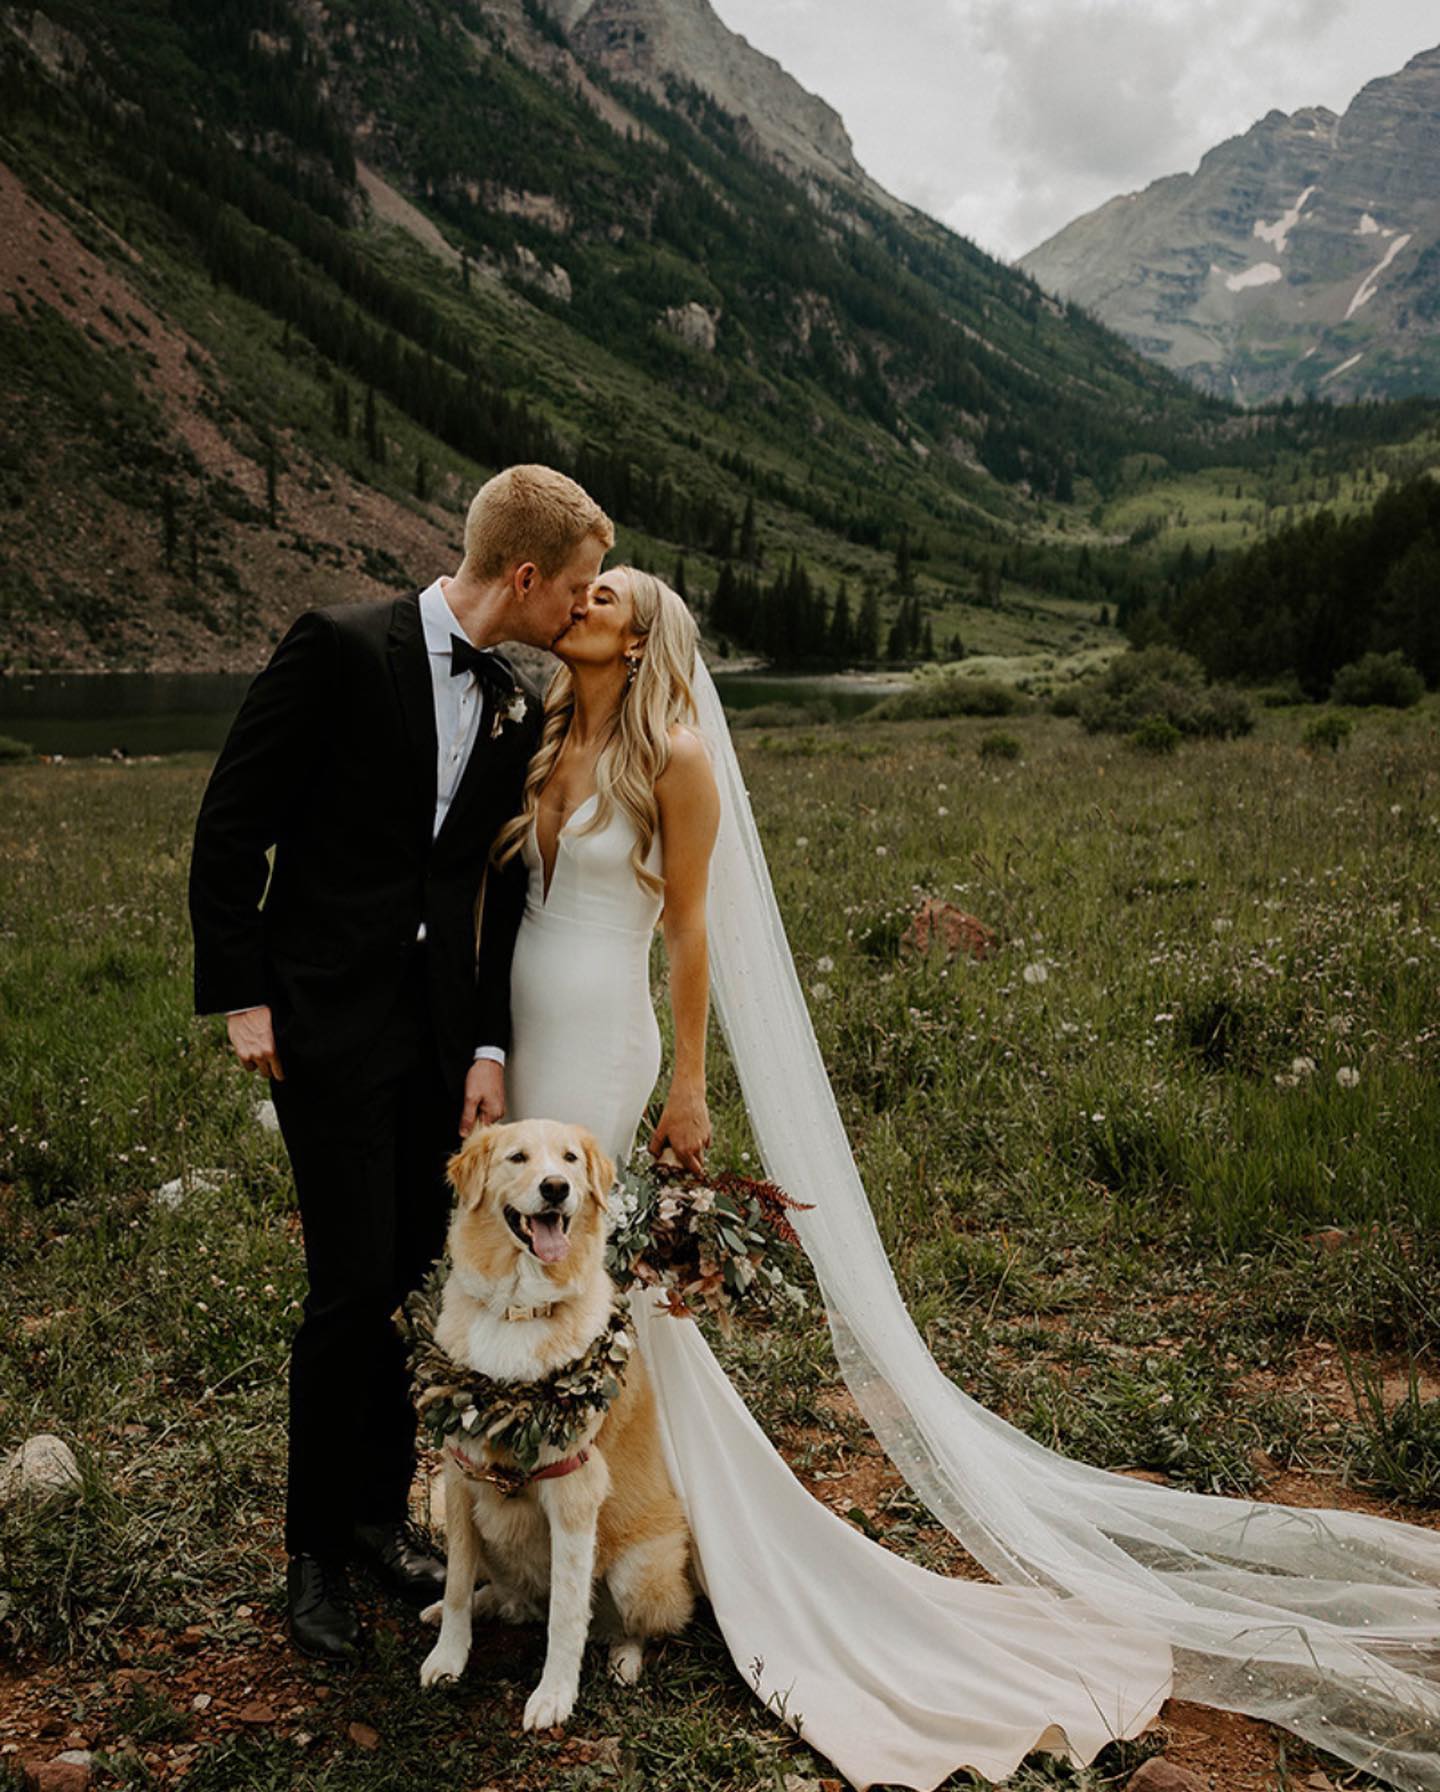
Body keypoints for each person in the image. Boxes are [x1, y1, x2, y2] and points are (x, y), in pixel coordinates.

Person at [495, 566, 1440, 1792]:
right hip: (521, 1028)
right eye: (579, 586)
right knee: (538, 1275)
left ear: (648, 632)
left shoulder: (674, 753)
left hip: (607, 1043)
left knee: (599, 1290)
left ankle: (652, 1526)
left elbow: (688, 932)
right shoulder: (552, 729)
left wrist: (687, 1082)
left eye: (607, 592)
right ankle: (557, 1516)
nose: (580, 599)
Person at [188, 464, 612, 1662]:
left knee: (415, 1281)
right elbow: (233, 822)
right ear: (524, 577)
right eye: (573, 589)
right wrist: (244, 994)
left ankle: (381, 1513)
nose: (578, 609)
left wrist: (485, 1043)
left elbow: (482, 888)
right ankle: (313, 1552)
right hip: (321, 1024)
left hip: (433, 1046)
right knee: (346, 1289)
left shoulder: (519, 705)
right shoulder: (334, 646)